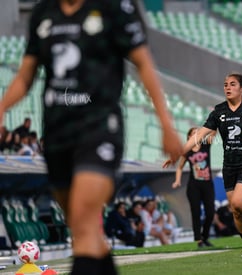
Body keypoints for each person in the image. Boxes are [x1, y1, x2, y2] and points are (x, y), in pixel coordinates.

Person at [0, 1, 183, 274]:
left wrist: (166, 125)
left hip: (99, 129)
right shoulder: (43, 13)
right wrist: (2, 108)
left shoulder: (115, 8)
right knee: (83, 227)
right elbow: (26, 75)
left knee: (85, 219)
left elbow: (144, 64)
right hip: (57, 133)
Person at [164, 72, 242, 256]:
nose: (228, 87)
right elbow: (198, 136)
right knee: (235, 212)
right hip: (229, 166)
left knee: (239, 202)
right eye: (225, 85)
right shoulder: (219, 111)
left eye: (233, 84)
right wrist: (178, 153)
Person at [171, 127, 216, 248]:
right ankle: (198, 240)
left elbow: (213, 132)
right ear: (189, 137)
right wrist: (177, 180)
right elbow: (179, 167)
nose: (197, 134)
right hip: (194, 185)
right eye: (194, 133)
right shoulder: (187, 151)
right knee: (195, 212)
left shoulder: (206, 144)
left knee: (210, 212)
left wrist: (216, 116)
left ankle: (205, 236)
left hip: (207, 184)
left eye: (198, 132)